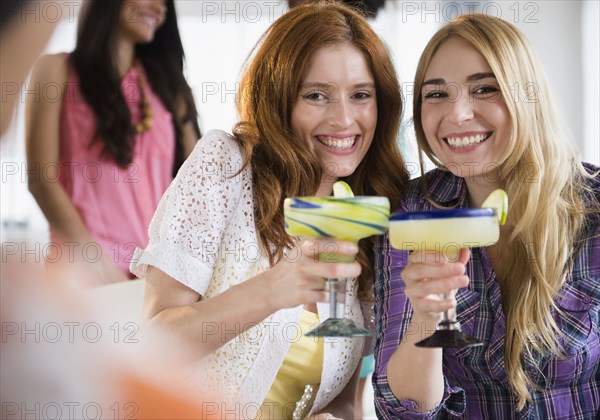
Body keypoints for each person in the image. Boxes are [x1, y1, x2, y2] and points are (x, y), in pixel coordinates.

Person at [131, 1, 408, 419]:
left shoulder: (362, 216)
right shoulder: (225, 166)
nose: (344, 118)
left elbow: (345, 399)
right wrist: (271, 290)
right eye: (317, 95)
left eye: (361, 95)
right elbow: (152, 349)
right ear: (280, 99)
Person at [373, 13, 600, 419]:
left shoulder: (594, 206)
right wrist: (426, 318)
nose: (458, 114)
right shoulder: (414, 212)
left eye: (485, 88)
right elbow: (402, 410)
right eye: (437, 94)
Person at [26, 0, 200, 285]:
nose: (160, 8)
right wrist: (99, 267)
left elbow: (196, 184)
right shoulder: (55, 71)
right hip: (80, 278)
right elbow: (41, 180)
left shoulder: (168, 87)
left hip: (154, 279)